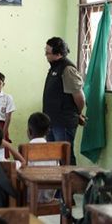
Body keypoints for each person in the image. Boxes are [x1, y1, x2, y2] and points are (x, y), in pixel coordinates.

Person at [43, 37, 85, 165]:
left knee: (65, 157)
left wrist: (78, 113)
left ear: (58, 54)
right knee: (53, 158)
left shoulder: (67, 69)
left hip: (63, 122)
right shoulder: (54, 68)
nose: (45, 55)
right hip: (51, 121)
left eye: (48, 52)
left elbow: (79, 97)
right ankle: (59, 185)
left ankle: (71, 185)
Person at [26, 112, 57, 203]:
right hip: (48, 197)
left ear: (29, 131)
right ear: (48, 131)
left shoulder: (26, 149)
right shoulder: (55, 150)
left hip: (29, 198)